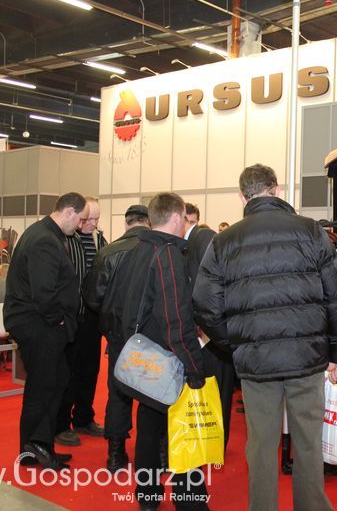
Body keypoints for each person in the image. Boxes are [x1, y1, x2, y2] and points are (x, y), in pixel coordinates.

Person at [193, 164, 337, 511]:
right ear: (276, 190)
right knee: (308, 440)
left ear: (242, 196)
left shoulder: (224, 241)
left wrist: (234, 342)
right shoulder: (311, 231)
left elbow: (205, 305)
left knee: (261, 444)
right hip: (307, 357)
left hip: (256, 362)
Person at [110, 193, 206, 509]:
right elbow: (175, 317)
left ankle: (148, 495)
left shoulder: (137, 250)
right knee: (183, 431)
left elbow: (116, 304)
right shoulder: (167, 255)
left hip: (142, 356)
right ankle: (189, 499)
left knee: (150, 428)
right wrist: (194, 365)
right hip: (167, 359)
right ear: (178, 217)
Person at [3, 192, 86, 470]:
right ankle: (36, 446)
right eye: (81, 219)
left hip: (37, 323)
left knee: (54, 380)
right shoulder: (45, 240)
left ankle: (37, 446)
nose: (80, 226)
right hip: (39, 324)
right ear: (69, 212)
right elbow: (44, 292)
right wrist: (59, 321)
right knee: (44, 385)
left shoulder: (42, 234)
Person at [84, 204, 150, 472]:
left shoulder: (107, 252)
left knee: (118, 393)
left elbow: (92, 297)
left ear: (126, 223)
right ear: (148, 222)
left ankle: (115, 452)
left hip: (118, 335)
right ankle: (154, 450)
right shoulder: (157, 250)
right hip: (150, 333)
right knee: (153, 392)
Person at [181, 211, 235, 450]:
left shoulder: (204, 239)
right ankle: (211, 441)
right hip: (209, 332)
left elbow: (211, 289)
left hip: (211, 333)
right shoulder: (196, 241)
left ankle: (214, 443)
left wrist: (209, 328)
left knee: (216, 390)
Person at [56, 196, 107, 447]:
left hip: (93, 317)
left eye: (97, 219)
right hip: (72, 315)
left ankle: (84, 417)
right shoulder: (65, 239)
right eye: (89, 219)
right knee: (69, 372)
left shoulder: (99, 239)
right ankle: (62, 423)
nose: (93, 224)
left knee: (90, 370)